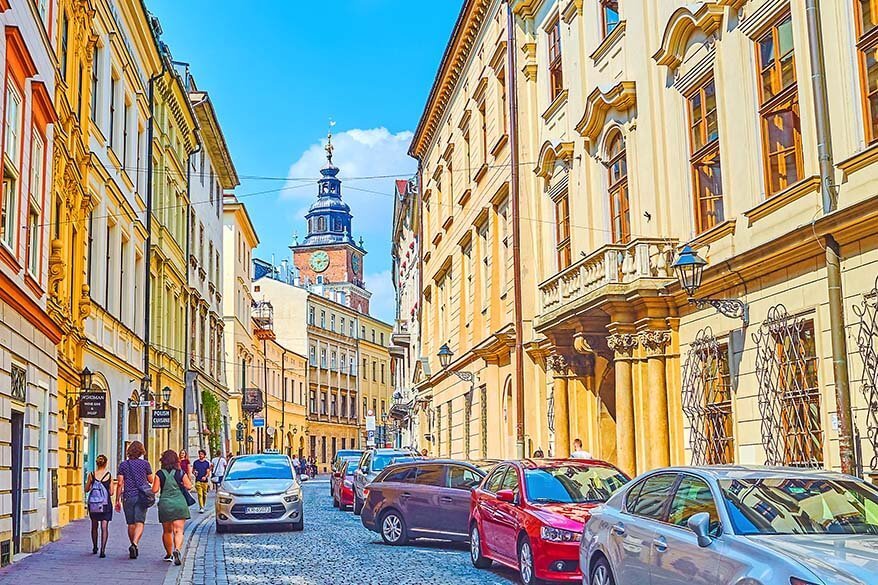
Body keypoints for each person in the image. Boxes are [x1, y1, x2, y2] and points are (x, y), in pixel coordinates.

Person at [152, 450, 193, 566]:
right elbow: (189, 486)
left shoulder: (159, 473)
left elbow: (154, 490)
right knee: (178, 530)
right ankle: (178, 550)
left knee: (167, 531)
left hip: (165, 504)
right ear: (176, 460)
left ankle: (169, 554)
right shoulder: (180, 473)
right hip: (179, 503)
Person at [115, 441, 153, 559]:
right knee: (140, 522)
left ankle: (132, 545)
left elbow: (120, 483)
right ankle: (135, 544)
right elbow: (151, 480)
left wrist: (117, 500)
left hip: (128, 496)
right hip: (142, 496)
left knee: (131, 523)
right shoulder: (145, 464)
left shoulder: (123, 465)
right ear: (141, 451)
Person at [85, 454, 113, 558]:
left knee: (94, 526)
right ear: (106, 464)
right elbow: (111, 492)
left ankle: (95, 547)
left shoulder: (92, 474)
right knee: (104, 527)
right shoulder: (109, 475)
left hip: (94, 504)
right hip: (105, 504)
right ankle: (103, 550)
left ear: (97, 464)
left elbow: (86, 489)